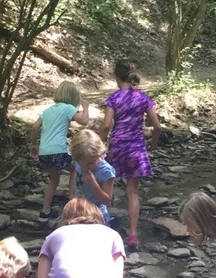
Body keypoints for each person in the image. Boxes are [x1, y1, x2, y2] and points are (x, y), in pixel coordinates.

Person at [101, 59, 161, 250]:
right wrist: (152, 142)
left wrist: (99, 143)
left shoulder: (113, 98)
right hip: (136, 148)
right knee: (132, 192)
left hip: (118, 146)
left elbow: (106, 125)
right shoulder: (143, 98)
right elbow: (157, 126)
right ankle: (133, 234)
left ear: (117, 78)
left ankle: (101, 226)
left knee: (105, 187)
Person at [30, 80, 90, 222]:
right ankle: (72, 207)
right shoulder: (68, 108)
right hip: (59, 150)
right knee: (75, 169)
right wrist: (86, 107)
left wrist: (34, 145)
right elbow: (84, 121)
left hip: (45, 152)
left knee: (54, 180)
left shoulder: (48, 110)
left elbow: (34, 127)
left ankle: (45, 212)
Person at [71, 129, 117, 226]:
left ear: (100, 153)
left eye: (91, 163)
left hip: (96, 214)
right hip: (78, 210)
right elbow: (74, 175)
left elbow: (107, 200)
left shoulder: (106, 171)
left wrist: (93, 184)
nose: (87, 167)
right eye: (82, 164)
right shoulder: (78, 161)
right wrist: (72, 195)